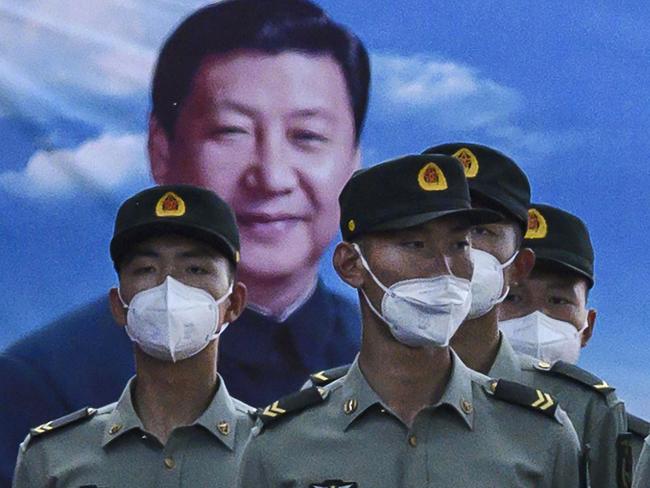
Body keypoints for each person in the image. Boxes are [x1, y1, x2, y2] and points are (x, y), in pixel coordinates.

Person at [0, 0, 370, 483]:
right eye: (231, 132)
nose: (272, 176)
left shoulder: (389, 364)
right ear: (161, 150)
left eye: (307, 135)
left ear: (354, 160)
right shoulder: (44, 381)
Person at [237, 154, 582, 487]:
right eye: (415, 244)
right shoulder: (282, 444)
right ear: (350, 265)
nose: (444, 269)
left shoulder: (540, 436)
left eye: (459, 245)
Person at [13, 185, 254, 487]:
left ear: (233, 303)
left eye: (195, 269)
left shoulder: (276, 450)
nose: (169, 288)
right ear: (118, 306)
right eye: (145, 269)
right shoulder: (52, 457)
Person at [421, 143, 628, 488]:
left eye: (481, 230)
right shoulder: (337, 404)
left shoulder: (587, 410)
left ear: (518, 263)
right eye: (439, 230)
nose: (463, 249)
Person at [497, 201, 644, 484]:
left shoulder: (633, 450)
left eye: (558, 300)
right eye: (513, 298)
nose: (536, 319)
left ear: (588, 327)